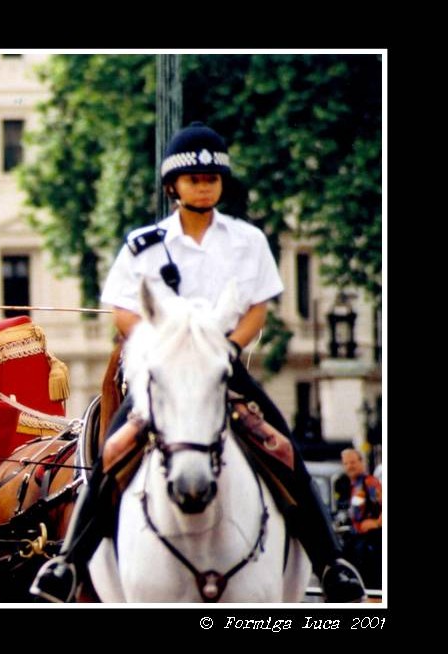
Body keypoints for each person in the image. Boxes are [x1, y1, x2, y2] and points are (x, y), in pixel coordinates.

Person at [32, 122, 365, 603]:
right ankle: (68, 562)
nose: (204, 184)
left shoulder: (246, 240)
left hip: (220, 365)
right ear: (174, 186)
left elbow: (257, 308)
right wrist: (159, 344)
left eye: (212, 177)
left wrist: (229, 347)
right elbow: (124, 310)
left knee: (284, 447)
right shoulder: (143, 244)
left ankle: (332, 562)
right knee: (112, 452)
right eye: (194, 178)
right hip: (164, 370)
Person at [341, 448, 382, 589]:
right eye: (346, 463)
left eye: (353, 462)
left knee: (371, 589)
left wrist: (376, 523)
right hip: (357, 543)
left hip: (371, 545)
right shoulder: (353, 485)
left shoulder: (370, 483)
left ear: (362, 462)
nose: (349, 466)